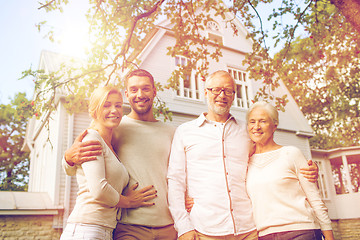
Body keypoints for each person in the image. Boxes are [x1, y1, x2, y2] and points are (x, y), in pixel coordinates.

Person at [167, 70, 318, 240]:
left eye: (228, 91)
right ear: (206, 92)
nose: (222, 95)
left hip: (249, 230)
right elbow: (175, 180)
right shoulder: (185, 132)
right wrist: (183, 226)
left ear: (233, 95)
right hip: (205, 230)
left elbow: (268, 159)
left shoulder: (247, 131)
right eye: (216, 89)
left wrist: (307, 169)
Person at [62, 69, 177, 240]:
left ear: (154, 92)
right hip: (128, 226)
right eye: (133, 89)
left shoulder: (171, 132)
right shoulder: (113, 126)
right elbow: (81, 162)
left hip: (167, 227)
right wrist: (68, 159)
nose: (140, 94)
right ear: (127, 94)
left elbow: (181, 174)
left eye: (145, 88)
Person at [245, 101, 334, 240]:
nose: (256, 127)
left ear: (274, 126)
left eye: (262, 121)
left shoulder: (291, 154)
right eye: (252, 122)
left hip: (301, 231)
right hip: (264, 235)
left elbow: (315, 199)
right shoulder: (246, 163)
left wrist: (329, 236)